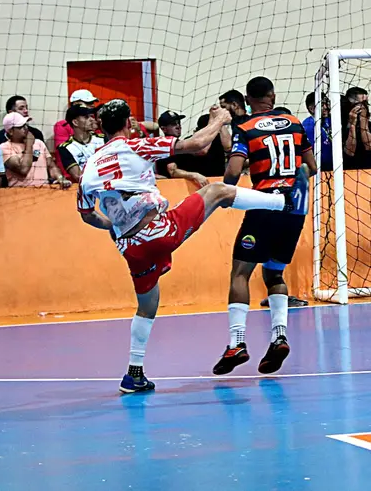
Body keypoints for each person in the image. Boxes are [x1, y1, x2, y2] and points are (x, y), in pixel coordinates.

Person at [77, 99, 310, 394]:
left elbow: (87, 215)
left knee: (147, 306)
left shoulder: (89, 167)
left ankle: (134, 374)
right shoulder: (137, 146)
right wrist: (219, 119)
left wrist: (112, 226)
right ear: (128, 123)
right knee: (217, 191)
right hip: (159, 232)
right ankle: (282, 202)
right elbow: (198, 145)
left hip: (131, 248)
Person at [212, 77, 318, 377]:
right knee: (274, 273)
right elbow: (312, 167)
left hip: (264, 205)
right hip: (293, 210)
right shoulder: (294, 123)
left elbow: (233, 173)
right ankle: (279, 336)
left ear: (248, 100)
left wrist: (230, 184)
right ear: (273, 96)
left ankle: (236, 343)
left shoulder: (245, 128)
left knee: (240, 273)